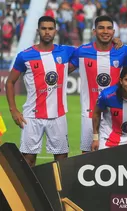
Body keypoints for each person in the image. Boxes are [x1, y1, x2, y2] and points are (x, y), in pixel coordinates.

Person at [6, 16, 75, 166]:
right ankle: (29, 190)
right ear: (38, 31)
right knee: (28, 159)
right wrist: (13, 110)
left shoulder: (65, 51)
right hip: (32, 116)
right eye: (44, 28)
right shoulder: (24, 56)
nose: (47, 32)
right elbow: (10, 82)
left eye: (50, 28)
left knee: (62, 160)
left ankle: (59, 190)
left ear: (55, 31)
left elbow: (91, 50)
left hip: (58, 115)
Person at [69, 15, 127, 153]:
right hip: (89, 112)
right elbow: (63, 71)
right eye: (101, 28)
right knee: (87, 154)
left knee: (116, 153)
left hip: (115, 112)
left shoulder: (123, 51)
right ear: (94, 31)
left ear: (114, 32)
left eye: (109, 28)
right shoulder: (82, 51)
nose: (105, 31)